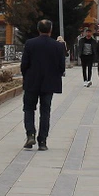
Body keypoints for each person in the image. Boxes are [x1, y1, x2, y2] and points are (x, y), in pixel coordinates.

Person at [20, 19, 66, 151]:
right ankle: (42, 141)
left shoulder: (30, 43)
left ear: (38, 29)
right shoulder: (58, 46)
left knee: (29, 109)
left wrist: (26, 76)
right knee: (45, 112)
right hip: (49, 83)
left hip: (32, 82)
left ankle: (30, 134)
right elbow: (61, 67)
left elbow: (24, 64)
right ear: (50, 30)